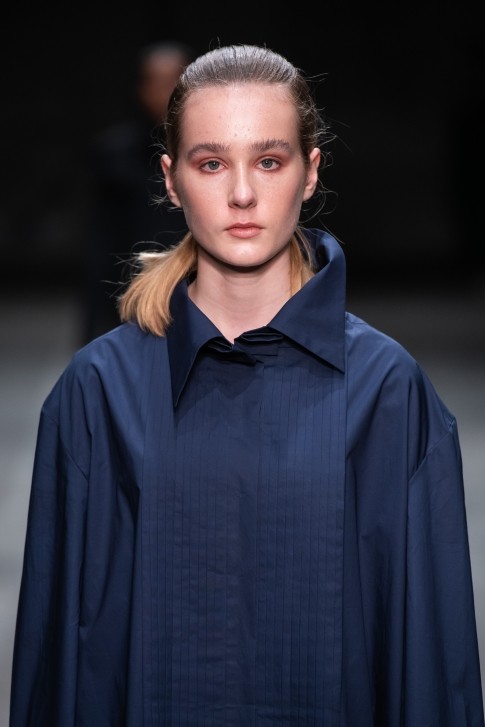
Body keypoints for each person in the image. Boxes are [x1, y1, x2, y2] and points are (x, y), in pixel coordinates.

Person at [10, 44, 484, 726]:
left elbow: (429, 663)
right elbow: (54, 665)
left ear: (310, 172)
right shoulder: (96, 393)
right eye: (211, 163)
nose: (241, 194)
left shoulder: (387, 392)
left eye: (268, 161)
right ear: (171, 180)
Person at [80, 39, 195, 344]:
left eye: (176, 81)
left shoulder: (215, 153)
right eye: (158, 83)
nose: (167, 92)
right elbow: (101, 243)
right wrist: (91, 330)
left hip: (202, 296)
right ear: (141, 89)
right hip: (134, 299)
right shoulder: (114, 155)